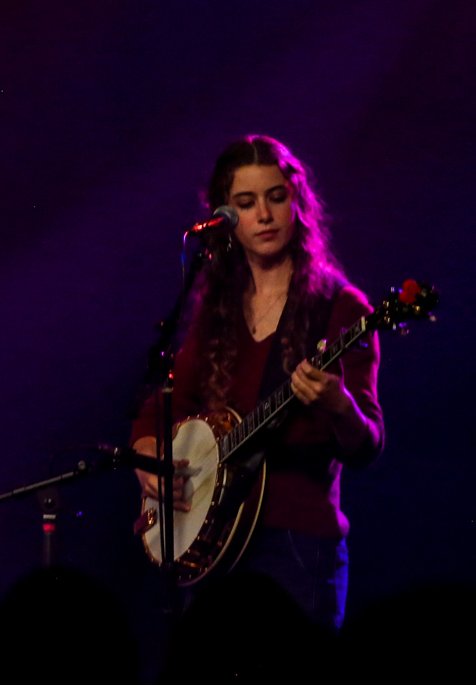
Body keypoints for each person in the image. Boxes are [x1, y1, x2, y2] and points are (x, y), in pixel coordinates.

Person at [132, 136, 384, 629]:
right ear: (228, 218)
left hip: (297, 542)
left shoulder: (342, 307)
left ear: (299, 203)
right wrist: (149, 456)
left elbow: (367, 445)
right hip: (212, 542)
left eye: (276, 197)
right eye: (246, 204)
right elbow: (161, 405)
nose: (264, 215)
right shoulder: (216, 312)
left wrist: (339, 404)